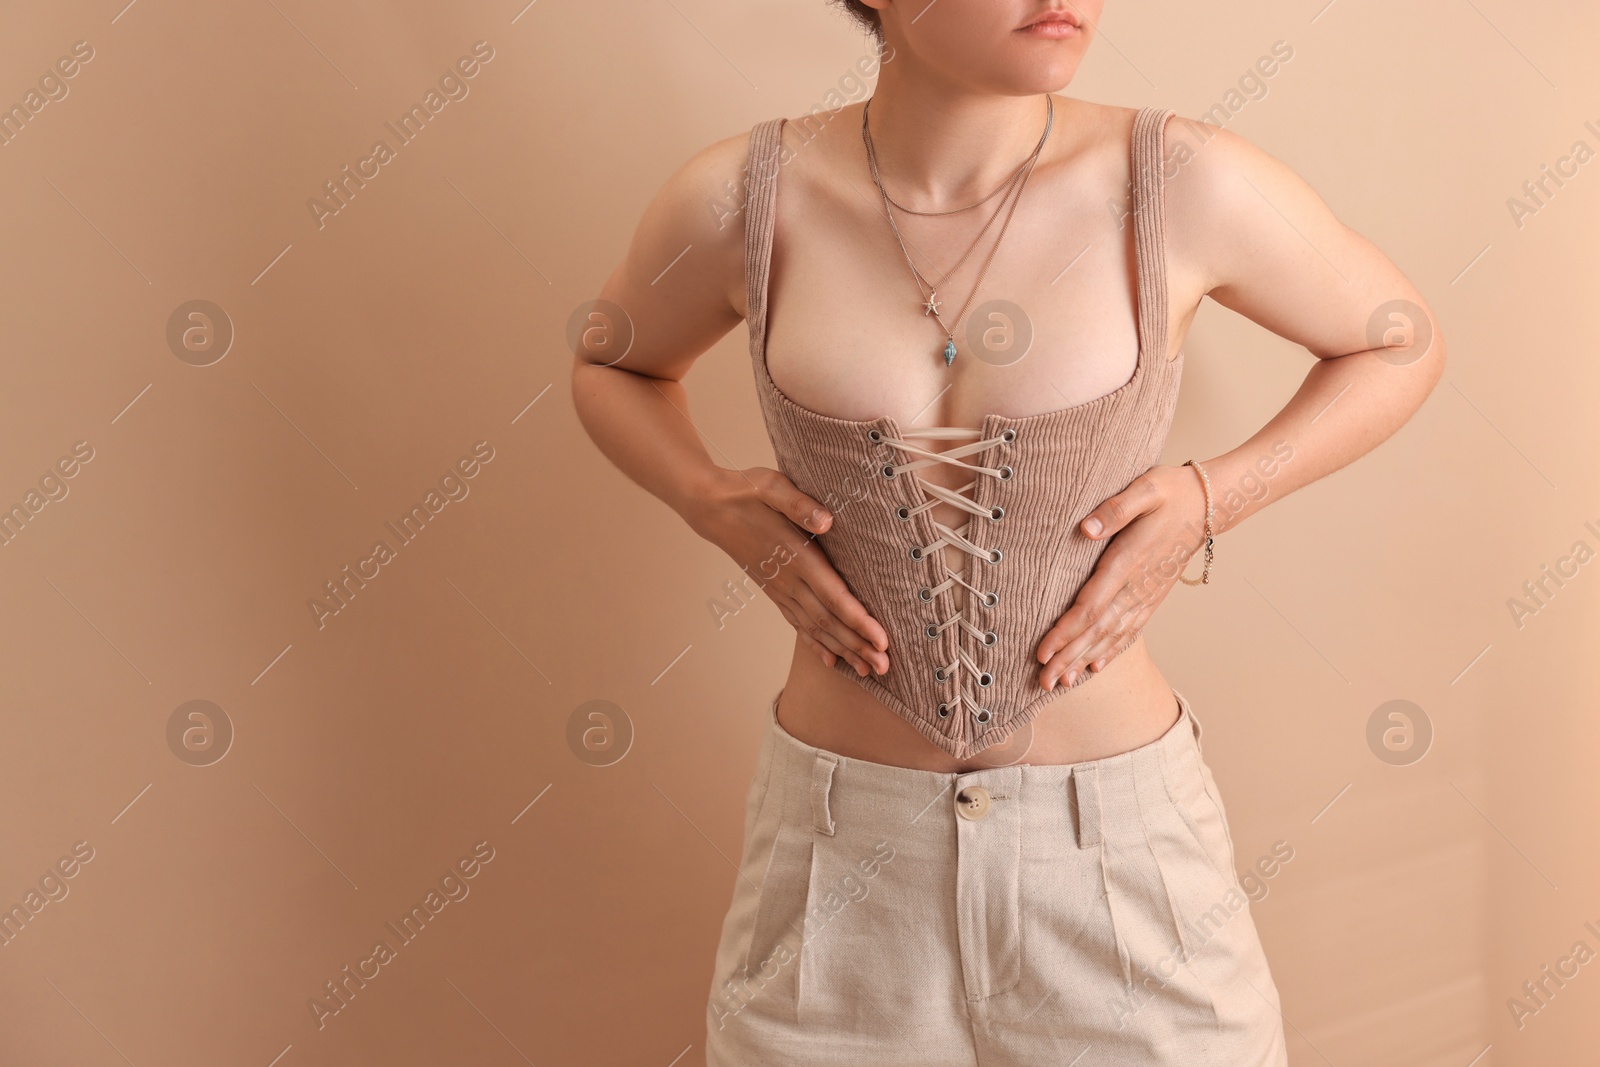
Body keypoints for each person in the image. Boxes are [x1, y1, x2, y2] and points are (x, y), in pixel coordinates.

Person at [572, 2, 1444, 1063]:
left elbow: (1396, 341)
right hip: (839, 856)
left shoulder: (1175, 179)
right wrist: (707, 499)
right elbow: (612, 363)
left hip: (1116, 856)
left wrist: (1209, 497)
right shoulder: (743, 197)